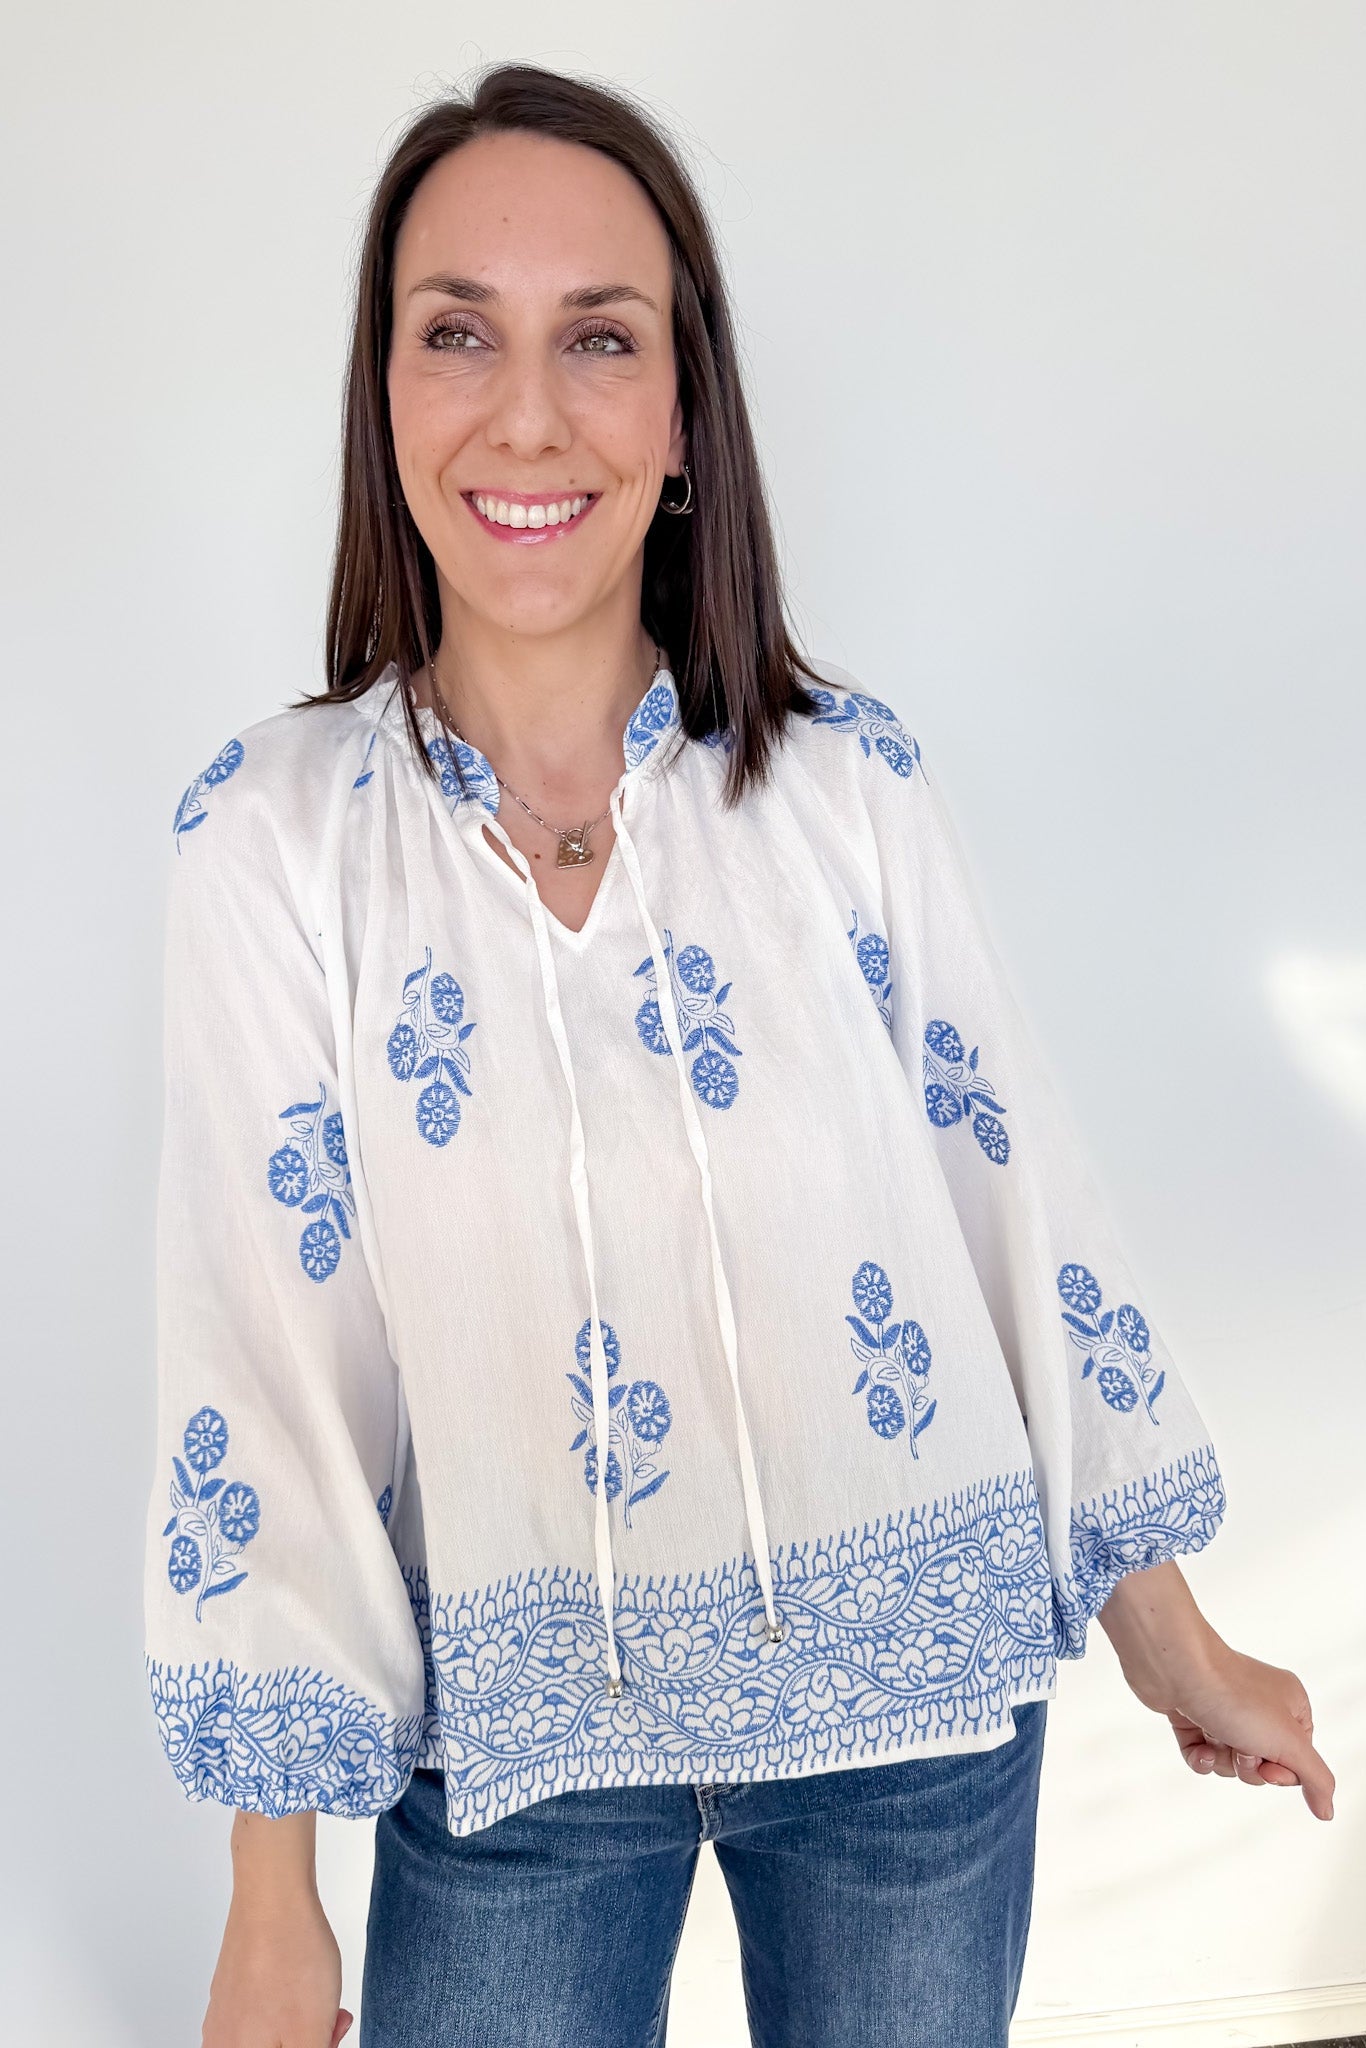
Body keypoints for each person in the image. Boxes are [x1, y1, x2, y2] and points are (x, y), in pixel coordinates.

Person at [142, 61, 1334, 2048]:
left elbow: (1007, 1208)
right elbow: (265, 1362)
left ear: (682, 413)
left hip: (915, 1732)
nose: (526, 411)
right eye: (459, 334)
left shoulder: (844, 786)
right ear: (385, 393)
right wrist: (272, 1891)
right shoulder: (274, 842)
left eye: (597, 339)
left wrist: (1170, 1637)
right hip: (517, 1760)